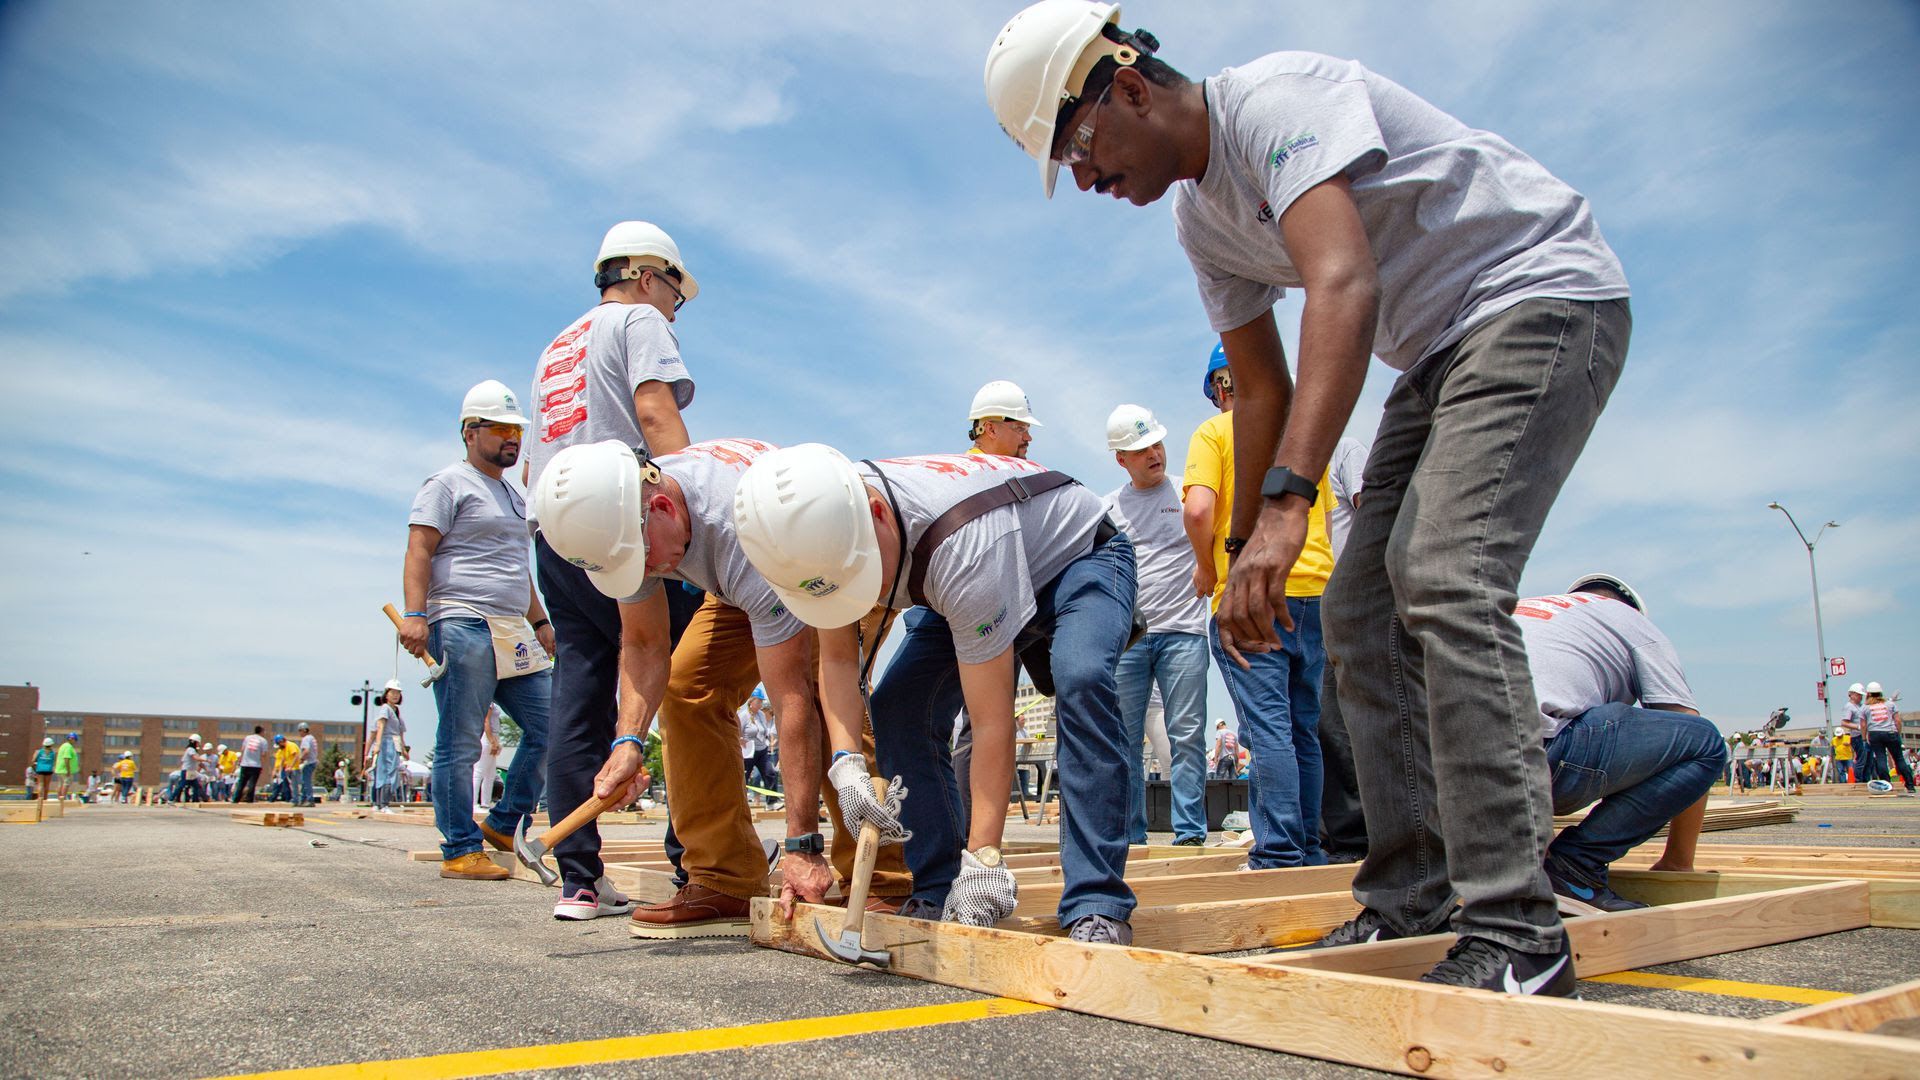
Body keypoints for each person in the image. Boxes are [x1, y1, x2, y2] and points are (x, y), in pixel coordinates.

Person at [986, 3, 1631, 996]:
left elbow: (1342, 283)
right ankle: (1412, 897)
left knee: (1446, 577)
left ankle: (1518, 928)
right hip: (1436, 349)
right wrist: (1249, 546)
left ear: (1126, 88)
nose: (1083, 175)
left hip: (1536, 296)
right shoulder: (1201, 222)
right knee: (1367, 616)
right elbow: (1262, 385)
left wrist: (1290, 511)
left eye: (1078, 145)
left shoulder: (1276, 102)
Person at [733, 442, 1141, 943]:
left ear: (877, 515)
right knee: (899, 704)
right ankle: (937, 883)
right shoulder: (820, 535)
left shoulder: (962, 547)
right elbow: (839, 659)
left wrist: (985, 857)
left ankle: (1096, 901)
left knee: (1081, 678)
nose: (860, 592)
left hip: (1078, 559)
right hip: (966, 576)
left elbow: (991, 721)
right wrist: (846, 765)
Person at [533, 438, 912, 935]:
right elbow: (646, 647)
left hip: (811, 558)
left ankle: (882, 879)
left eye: (643, 561)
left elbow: (790, 694)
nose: (645, 574)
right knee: (688, 687)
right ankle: (724, 877)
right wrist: (628, 741)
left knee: (827, 697)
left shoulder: (733, 531)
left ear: (664, 508)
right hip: (732, 583)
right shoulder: (627, 525)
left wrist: (800, 846)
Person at [525, 221, 703, 920]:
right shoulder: (637, 321)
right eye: (673, 293)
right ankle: (698, 860)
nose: (673, 309)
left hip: (555, 531)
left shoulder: (555, 345)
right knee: (691, 676)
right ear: (643, 274)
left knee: (581, 692)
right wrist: (691, 507)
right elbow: (655, 413)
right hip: (624, 519)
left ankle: (580, 881)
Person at [1182, 343, 1335, 867]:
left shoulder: (1215, 433)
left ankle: (1279, 854)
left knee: (1269, 729)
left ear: (1221, 387)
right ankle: (1310, 848)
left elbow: (1199, 509)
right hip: (1315, 592)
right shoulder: (1308, 442)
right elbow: (1325, 521)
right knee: (1302, 728)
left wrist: (1207, 568)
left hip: (1252, 596)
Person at [400, 380, 555, 882]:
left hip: (513, 628)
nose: (514, 438)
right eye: (503, 428)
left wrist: (540, 620)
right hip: (462, 620)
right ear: (470, 432)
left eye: (518, 431)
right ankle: (460, 850)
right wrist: (415, 614)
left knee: (550, 725)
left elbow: (517, 565)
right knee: (461, 741)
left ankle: (504, 822)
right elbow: (420, 548)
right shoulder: (447, 484)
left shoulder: (515, 493)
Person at [1518, 575, 1727, 911]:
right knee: (1705, 743)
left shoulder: (1522, 610)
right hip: (1532, 759)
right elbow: (1688, 727)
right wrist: (1678, 862)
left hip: (1433, 778)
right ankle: (1576, 868)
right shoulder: (1630, 621)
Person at [1103, 404, 1210, 845]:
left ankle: (1190, 834)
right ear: (1121, 459)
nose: (1154, 453)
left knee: (1187, 735)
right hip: (1131, 640)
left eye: (1157, 444)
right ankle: (1131, 837)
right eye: (1141, 449)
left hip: (1184, 631)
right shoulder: (1107, 507)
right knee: (1124, 741)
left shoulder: (1190, 496)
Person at [946, 380, 1049, 823]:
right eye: (1019, 426)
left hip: (1014, 615)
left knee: (987, 723)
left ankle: (976, 832)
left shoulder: (1022, 473)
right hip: (970, 616)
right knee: (978, 724)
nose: (1028, 436)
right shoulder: (959, 475)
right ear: (989, 427)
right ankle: (968, 834)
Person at [1318, 435, 1370, 861]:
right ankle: (1328, 833)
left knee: (1340, 725)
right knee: (1316, 723)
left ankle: (1353, 839)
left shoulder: (1342, 450)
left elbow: (1374, 511)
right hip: (1307, 607)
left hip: (1345, 603)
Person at [1858, 682, 1915, 794]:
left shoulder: (1865, 708)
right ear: (1880, 692)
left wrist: (1864, 739)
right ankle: (1910, 785)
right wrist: (1897, 734)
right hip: (1891, 732)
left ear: (1868, 694)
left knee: (1880, 758)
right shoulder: (1890, 704)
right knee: (1899, 759)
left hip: (1875, 734)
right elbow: (1898, 720)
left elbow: (1863, 725)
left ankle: (1887, 785)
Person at [365, 684, 406, 813]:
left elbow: (401, 734)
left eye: (397, 693)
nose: (395, 695)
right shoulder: (385, 708)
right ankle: (383, 804)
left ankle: (378, 803)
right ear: (386, 694)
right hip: (386, 742)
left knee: (385, 773)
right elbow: (380, 726)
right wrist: (377, 745)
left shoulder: (396, 712)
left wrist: (404, 750)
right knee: (387, 773)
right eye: (392, 692)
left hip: (393, 743)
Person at [473, 704, 503, 810]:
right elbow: (486, 721)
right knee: (479, 772)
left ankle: (485, 803)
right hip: (487, 737)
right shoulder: (489, 702)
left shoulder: (493, 703)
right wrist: (492, 741)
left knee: (490, 774)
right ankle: (473, 804)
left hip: (493, 735)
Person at [232, 726, 267, 803]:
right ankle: (249, 799)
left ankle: (235, 799)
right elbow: (263, 754)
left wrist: (240, 760)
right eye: (264, 732)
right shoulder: (263, 741)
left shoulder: (248, 738)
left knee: (242, 782)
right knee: (252, 783)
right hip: (255, 765)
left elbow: (243, 749)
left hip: (245, 764)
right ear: (261, 732)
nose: (264, 733)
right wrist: (262, 765)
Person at [295, 724, 320, 808]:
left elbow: (306, 751)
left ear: (304, 730)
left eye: (300, 731)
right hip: (312, 761)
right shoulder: (312, 738)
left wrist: (300, 760)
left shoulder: (306, 739)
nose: (299, 733)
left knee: (306, 782)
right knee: (304, 781)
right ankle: (303, 800)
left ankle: (309, 800)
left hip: (309, 762)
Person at [54, 732, 80, 800]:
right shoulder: (68, 747)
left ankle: (60, 798)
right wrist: (68, 770)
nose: (75, 741)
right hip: (65, 770)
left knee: (60, 784)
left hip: (60, 769)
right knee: (66, 784)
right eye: (74, 739)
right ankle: (63, 798)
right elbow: (66, 758)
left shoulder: (63, 746)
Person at [31, 738, 55, 802]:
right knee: (46, 786)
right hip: (48, 770)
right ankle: (45, 799)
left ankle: (40, 799)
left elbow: (33, 761)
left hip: (40, 769)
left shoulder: (38, 752)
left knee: (40, 784)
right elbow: (54, 762)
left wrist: (35, 768)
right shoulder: (53, 753)